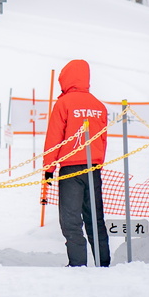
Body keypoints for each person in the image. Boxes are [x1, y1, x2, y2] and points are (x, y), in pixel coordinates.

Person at [43, 59, 111, 268]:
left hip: (70, 170)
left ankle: (77, 263)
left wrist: (48, 169)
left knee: (71, 220)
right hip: (93, 170)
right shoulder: (99, 105)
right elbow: (103, 140)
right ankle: (103, 263)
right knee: (95, 218)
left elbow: (54, 138)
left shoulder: (63, 104)